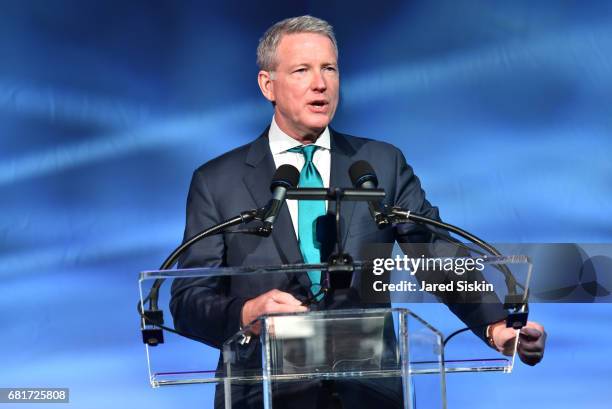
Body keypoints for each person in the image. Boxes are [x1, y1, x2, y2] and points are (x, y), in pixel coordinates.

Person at [170, 15, 546, 409]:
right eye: (302, 70)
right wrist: (246, 312)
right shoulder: (218, 181)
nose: (321, 83)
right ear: (269, 85)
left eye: (329, 68)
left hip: (368, 393)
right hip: (262, 393)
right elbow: (188, 300)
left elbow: (435, 254)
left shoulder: (378, 164)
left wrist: (496, 323)